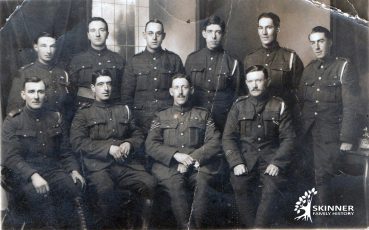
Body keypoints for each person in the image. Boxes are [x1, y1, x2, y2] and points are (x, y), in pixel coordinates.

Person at [70, 69, 156, 229]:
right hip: (98, 168)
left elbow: (138, 135)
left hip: (125, 165)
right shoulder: (83, 114)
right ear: (93, 88)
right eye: (101, 84)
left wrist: (129, 143)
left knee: (150, 183)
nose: (106, 88)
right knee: (106, 191)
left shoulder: (124, 110)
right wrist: (108, 148)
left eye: (109, 83)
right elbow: (77, 142)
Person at [2, 77, 87, 229]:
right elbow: (11, 157)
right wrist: (33, 176)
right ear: (23, 94)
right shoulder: (13, 121)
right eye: (31, 92)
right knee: (42, 204)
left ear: (45, 94)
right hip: (25, 175)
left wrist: (74, 170)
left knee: (73, 189)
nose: (36, 96)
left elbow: (65, 151)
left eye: (40, 92)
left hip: (53, 170)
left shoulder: (55, 117)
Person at [298, 26, 361, 217]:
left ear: (330, 42)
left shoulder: (343, 67)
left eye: (321, 41)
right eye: (313, 42)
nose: (317, 46)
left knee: (323, 179)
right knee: (308, 179)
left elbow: (352, 106)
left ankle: (323, 223)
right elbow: (302, 103)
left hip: (331, 136)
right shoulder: (308, 70)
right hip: (308, 134)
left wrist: (347, 138)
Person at [145, 73, 221, 229]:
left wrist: (191, 159)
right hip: (168, 166)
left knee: (202, 182)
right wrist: (175, 156)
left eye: (184, 87)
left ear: (191, 90)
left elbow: (215, 142)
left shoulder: (203, 114)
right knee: (175, 185)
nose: (180, 92)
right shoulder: (160, 116)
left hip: (197, 164)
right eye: (177, 88)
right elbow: (151, 144)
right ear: (171, 91)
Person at [222, 65, 295, 228]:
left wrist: (277, 163)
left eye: (259, 80)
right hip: (245, 159)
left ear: (267, 81)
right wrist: (237, 162)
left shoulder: (279, 105)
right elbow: (228, 138)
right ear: (246, 83)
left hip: (271, 160)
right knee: (239, 184)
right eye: (251, 81)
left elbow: (289, 138)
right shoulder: (238, 106)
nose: (254, 85)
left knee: (272, 186)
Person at [121, 19, 184, 134]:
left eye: (158, 33)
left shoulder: (174, 60)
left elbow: (181, 93)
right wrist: (132, 124)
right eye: (150, 33)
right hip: (140, 121)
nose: (154, 37)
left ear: (163, 36)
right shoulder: (134, 61)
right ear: (144, 35)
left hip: (168, 120)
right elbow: (126, 97)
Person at [185, 15, 244, 131]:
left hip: (223, 120)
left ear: (223, 34)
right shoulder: (192, 59)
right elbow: (185, 89)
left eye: (218, 32)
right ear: (204, 34)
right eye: (210, 31)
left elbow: (237, 95)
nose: (213, 36)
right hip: (195, 119)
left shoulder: (233, 62)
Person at [6, 32, 73, 121]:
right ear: (36, 47)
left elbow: (68, 106)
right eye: (44, 46)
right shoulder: (24, 73)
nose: (48, 51)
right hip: (37, 127)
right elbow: (14, 108)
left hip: (62, 127)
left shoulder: (62, 73)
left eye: (52, 46)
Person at [244, 12, 304, 109]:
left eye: (269, 27)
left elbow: (301, 92)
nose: (264, 32)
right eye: (260, 28)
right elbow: (245, 93)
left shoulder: (290, 57)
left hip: (283, 115)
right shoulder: (250, 58)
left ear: (277, 29)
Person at [68, 17, 125, 109]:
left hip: (113, 110)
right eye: (93, 30)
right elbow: (71, 91)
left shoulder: (118, 60)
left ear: (107, 34)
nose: (97, 34)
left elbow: (124, 90)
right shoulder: (77, 60)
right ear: (88, 35)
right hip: (86, 112)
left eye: (101, 30)